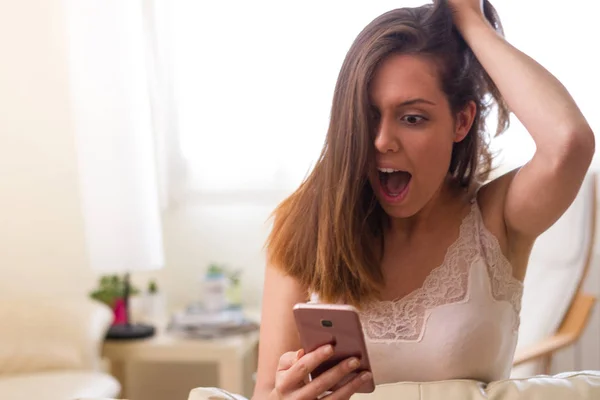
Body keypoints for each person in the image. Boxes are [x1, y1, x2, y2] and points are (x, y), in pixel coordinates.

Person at [253, 0, 595, 399]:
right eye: (367, 115)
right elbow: (264, 392)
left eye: (412, 118)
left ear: (462, 121)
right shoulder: (307, 225)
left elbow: (568, 142)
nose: (382, 140)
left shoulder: (498, 219)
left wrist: (470, 21)